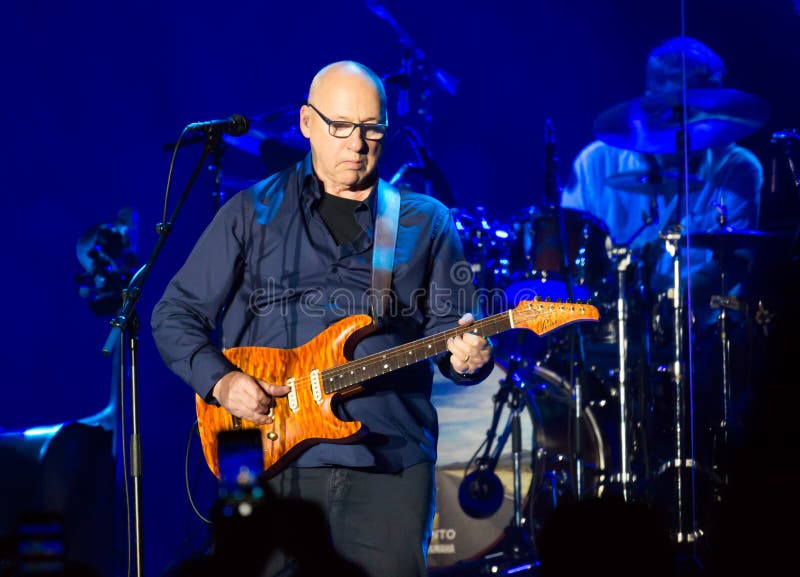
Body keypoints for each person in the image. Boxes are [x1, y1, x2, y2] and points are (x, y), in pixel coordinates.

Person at [151, 60, 494, 577]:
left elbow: (450, 335)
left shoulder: (427, 220)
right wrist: (221, 383)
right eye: (341, 127)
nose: (357, 143)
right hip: (258, 454)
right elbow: (174, 313)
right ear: (307, 123)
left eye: (371, 129)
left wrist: (469, 359)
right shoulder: (251, 212)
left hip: (388, 459)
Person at [559, 36, 765, 523]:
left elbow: (731, 264)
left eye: (702, 106)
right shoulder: (597, 162)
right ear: (652, 98)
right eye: (675, 104)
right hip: (606, 331)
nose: (689, 119)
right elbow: (567, 253)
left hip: (699, 340)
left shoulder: (738, 167)